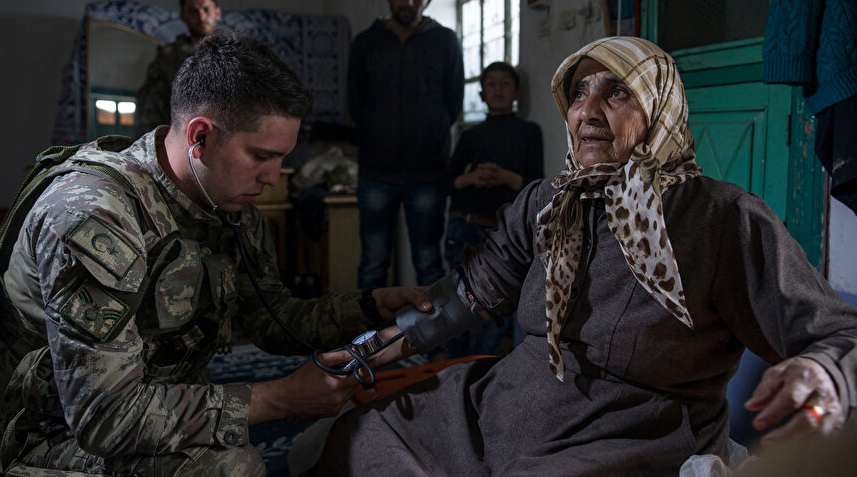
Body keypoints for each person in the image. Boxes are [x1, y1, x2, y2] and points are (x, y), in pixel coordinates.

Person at [318, 36, 857, 475]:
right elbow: (470, 292)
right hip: (513, 401)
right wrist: (377, 346)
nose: (589, 112)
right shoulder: (547, 203)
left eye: (617, 92)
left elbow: (838, 333)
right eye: (579, 94)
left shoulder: (721, 218)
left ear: (659, 107)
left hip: (629, 430)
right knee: (364, 435)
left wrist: (822, 370)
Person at [0, 31, 430, 477]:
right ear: (200, 136)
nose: (274, 176)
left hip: (126, 406)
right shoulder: (96, 215)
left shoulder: (229, 208)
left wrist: (369, 308)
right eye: (262, 155)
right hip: (29, 432)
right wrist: (284, 397)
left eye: (282, 157)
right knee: (227, 467)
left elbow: (273, 318)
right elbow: (104, 416)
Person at [348, 0, 464, 290]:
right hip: (375, 171)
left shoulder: (445, 41)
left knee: (429, 263)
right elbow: (355, 104)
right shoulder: (365, 43)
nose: (409, 0)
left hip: (428, 172)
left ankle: (429, 341)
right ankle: (370, 341)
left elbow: (453, 102)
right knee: (373, 263)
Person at [443, 61, 543, 358]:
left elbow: (537, 185)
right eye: (491, 84)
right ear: (482, 93)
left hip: (505, 234)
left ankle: (480, 365)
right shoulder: (470, 135)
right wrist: (472, 178)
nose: (497, 89)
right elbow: (446, 183)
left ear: (517, 93)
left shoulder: (529, 132)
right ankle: (453, 366)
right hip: (464, 226)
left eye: (505, 84)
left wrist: (505, 177)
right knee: (456, 301)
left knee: (500, 304)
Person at [136, 0, 223, 135]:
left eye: (206, 9)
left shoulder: (235, 52)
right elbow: (151, 102)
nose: (201, 16)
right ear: (183, 16)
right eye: (193, 11)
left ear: (217, 12)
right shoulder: (169, 55)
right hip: (180, 135)